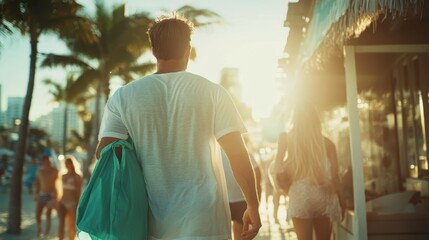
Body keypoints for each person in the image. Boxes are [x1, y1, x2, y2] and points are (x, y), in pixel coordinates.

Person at [95, 14, 261, 240]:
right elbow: (237, 153)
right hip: (206, 219)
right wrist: (253, 205)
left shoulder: (123, 98)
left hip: (152, 221)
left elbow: (104, 153)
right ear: (188, 48)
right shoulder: (213, 92)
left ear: (153, 51)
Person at [273, 100, 343, 240]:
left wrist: (286, 188)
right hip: (322, 194)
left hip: (299, 194)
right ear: (315, 118)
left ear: (295, 117)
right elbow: (335, 177)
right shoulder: (328, 143)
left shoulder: (286, 138)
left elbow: (277, 169)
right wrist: (341, 199)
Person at [58, 156, 83, 240]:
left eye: (69, 163)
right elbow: (59, 189)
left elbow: (79, 192)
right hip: (62, 201)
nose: (67, 165)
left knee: (71, 224)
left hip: (72, 202)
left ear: (72, 164)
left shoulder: (77, 176)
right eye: (66, 163)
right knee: (61, 223)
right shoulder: (63, 176)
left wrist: (77, 204)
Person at [35, 155, 59, 238]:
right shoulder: (40, 171)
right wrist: (36, 194)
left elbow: (58, 184)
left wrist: (55, 196)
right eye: (46, 161)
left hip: (50, 196)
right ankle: (39, 230)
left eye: (49, 161)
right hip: (42, 195)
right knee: (38, 214)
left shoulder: (55, 170)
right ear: (43, 162)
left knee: (48, 214)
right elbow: (37, 183)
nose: (47, 162)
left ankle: (46, 233)